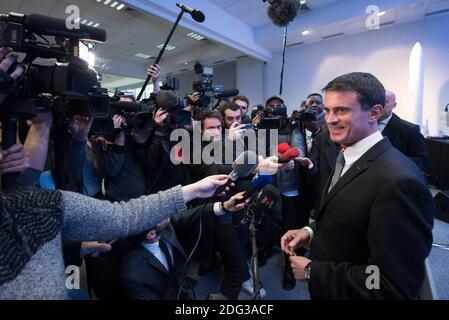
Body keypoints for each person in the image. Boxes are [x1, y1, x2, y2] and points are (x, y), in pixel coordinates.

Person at [283, 72, 434, 299]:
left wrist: (313, 271)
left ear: (374, 113)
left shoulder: (400, 182)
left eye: (341, 110)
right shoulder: (347, 155)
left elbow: (392, 283)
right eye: (327, 110)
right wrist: (311, 231)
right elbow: (350, 213)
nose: (330, 119)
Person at [378, 90, 429, 171]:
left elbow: (422, 161)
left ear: (394, 105)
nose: (380, 105)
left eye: (385, 102)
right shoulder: (365, 123)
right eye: (378, 101)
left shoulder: (410, 130)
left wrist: (394, 162)